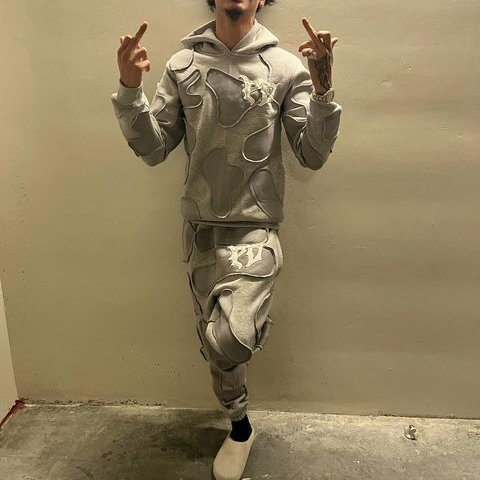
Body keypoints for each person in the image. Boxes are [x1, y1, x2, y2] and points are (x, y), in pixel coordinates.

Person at [111, 1, 342, 478]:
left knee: (230, 338)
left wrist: (322, 90)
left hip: (256, 230)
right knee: (216, 349)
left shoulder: (286, 67)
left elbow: (312, 155)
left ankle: (244, 356)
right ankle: (239, 426)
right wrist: (130, 89)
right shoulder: (182, 65)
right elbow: (154, 150)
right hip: (200, 233)